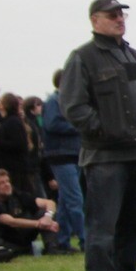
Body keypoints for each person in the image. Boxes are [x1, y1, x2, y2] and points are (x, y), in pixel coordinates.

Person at [59, 0, 136, 271]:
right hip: (107, 155)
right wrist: (104, 131)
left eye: (121, 15)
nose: (119, 19)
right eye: (112, 15)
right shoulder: (83, 57)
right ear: (95, 20)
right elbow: (73, 106)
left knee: (134, 225)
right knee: (103, 225)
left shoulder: (131, 54)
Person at [0, 166, 59, 253]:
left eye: (7, 181)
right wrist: (40, 224)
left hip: (17, 234)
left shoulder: (16, 194)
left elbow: (49, 202)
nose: (6, 185)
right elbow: (11, 222)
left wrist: (48, 217)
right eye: (1, 183)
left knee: (44, 212)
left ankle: (52, 247)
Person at [40, 71, 85, 254]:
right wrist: (78, 126)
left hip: (72, 153)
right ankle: (85, 239)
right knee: (75, 199)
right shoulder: (54, 101)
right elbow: (51, 124)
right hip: (61, 154)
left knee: (66, 201)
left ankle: (62, 240)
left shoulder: (65, 100)